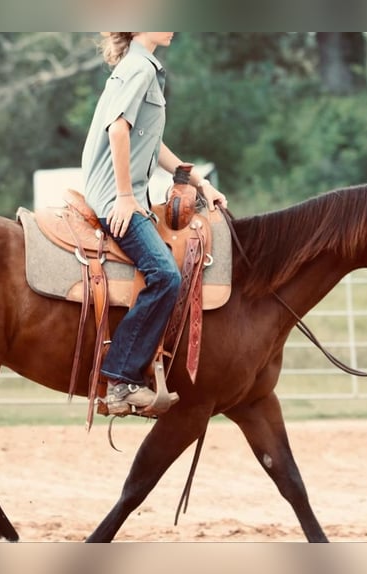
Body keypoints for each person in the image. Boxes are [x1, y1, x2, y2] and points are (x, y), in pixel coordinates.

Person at [81, 32, 227, 415]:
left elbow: (153, 144)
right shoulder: (140, 68)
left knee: (163, 272)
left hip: (117, 192)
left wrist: (199, 181)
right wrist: (126, 197)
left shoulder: (140, 65)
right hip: (116, 197)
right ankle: (121, 381)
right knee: (165, 275)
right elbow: (118, 130)